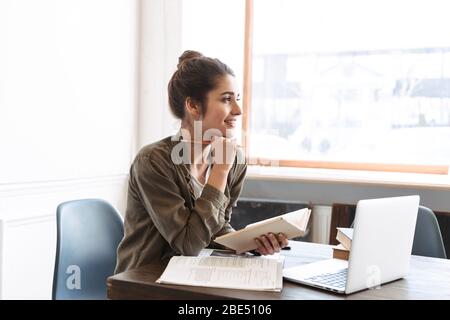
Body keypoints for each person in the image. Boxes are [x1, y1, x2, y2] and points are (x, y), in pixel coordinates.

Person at [115, 50, 288, 273]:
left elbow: (215, 229)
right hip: (144, 285)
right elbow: (188, 244)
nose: (238, 110)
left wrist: (252, 243)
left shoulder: (235, 161)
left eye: (236, 99)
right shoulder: (152, 162)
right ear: (194, 106)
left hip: (192, 277)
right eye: (226, 99)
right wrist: (220, 172)